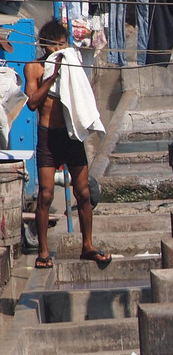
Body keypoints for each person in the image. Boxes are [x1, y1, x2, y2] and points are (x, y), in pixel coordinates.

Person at [25, 20, 105, 269]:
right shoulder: (34, 68)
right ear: (45, 47)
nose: (60, 50)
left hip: (71, 136)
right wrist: (51, 77)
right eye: (55, 46)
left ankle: (87, 246)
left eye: (63, 45)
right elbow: (32, 102)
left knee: (83, 193)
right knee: (46, 195)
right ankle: (43, 251)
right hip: (48, 136)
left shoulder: (71, 62)